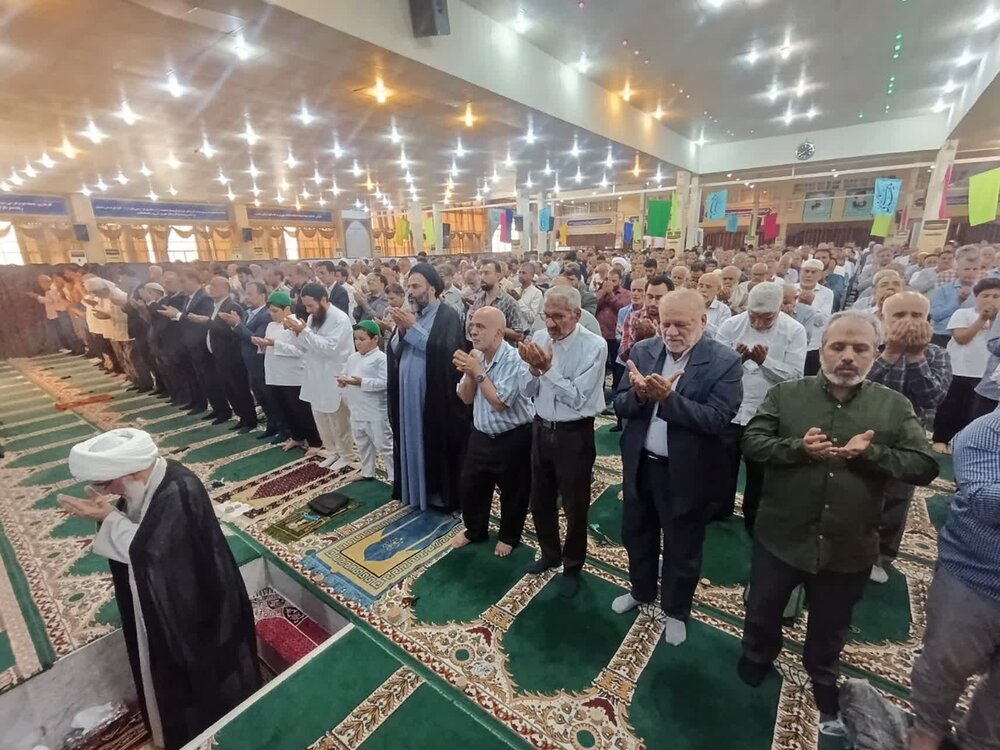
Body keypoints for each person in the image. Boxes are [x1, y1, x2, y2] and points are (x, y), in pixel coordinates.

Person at [739, 311, 938, 733]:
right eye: (838, 347)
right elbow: (753, 441)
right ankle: (757, 657)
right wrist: (798, 448)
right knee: (763, 608)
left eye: (859, 348)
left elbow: (924, 465)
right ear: (822, 350)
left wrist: (872, 454)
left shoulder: (892, 406)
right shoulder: (787, 395)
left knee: (831, 623)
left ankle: (822, 671)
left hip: (849, 543)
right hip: (782, 534)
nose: (848, 356)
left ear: (875, 353)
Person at [59, 429, 260, 749]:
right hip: (173, 599)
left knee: (206, 673)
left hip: (200, 605)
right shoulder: (145, 485)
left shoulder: (179, 488)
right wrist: (110, 515)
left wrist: (109, 518)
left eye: (108, 483)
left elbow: (151, 553)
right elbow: (146, 543)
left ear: (132, 472)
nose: (109, 491)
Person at [612, 289, 742, 646]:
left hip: (686, 472)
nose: (671, 332)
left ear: (703, 321)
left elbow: (717, 419)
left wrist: (669, 400)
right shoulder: (643, 351)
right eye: (665, 323)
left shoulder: (724, 361)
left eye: (681, 324)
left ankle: (676, 609)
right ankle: (640, 591)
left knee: (682, 545)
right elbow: (619, 404)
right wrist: (639, 395)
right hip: (641, 464)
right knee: (637, 534)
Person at [908, 410, 1000, 750]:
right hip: (976, 578)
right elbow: (988, 505)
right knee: (945, 663)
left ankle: (979, 741)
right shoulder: (986, 432)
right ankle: (926, 732)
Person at [517, 286, 607, 597]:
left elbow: (577, 397)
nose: (551, 324)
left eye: (559, 316)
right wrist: (532, 369)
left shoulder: (594, 345)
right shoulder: (540, 337)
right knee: (540, 500)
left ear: (577, 315)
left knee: (574, 504)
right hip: (541, 429)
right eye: (547, 316)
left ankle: (572, 563)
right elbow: (526, 390)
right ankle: (549, 554)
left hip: (574, 434)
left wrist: (546, 370)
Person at [867, 292, 952, 584]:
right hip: (865, 433)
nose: (909, 322)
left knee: (896, 500)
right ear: (883, 319)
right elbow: (859, 386)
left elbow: (932, 398)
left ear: (928, 320)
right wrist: (890, 354)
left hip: (907, 441)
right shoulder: (872, 348)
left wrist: (915, 357)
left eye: (917, 316)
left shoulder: (937, 355)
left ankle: (881, 555)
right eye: (899, 315)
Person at [712, 282, 807, 526]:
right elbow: (715, 368)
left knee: (760, 471)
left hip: (767, 413)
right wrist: (736, 360)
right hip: (731, 409)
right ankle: (718, 510)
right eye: (753, 316)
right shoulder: (731, 325)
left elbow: (795, 377)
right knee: (722, 465)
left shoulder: (794, 330)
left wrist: (765, 361)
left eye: (766, 318)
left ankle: (755, 518)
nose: (758, 323)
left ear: (779, 309)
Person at [452, 306, 535, 556]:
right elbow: (466, 398)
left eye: (481, 327)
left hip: (513, 436)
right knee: (472, 486)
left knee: (513, 490)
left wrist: (477, 372)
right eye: (472, 326)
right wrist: (470, 374)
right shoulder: (476, 356)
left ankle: (509, 535)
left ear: (499, 333)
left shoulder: (514, 360)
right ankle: (475, 530)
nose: (473, 331)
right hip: (481, 435)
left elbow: (500, 403)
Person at [387, 263, 470, 510]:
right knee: (410, 439)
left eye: (416, 286)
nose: (410, 292)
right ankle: (414, 490)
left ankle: (436, 495)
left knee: (431, 442)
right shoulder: (411, 314)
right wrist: (402, 331)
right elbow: (394, 350)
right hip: (407, 395)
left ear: (432, 288)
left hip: (433, 395)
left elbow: (446, 352)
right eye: (408, 287)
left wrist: (412, 328)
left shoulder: (447, 315)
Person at [283, 283, 358, 471]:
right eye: (306, 306)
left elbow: (329, 348)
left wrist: (304, 332)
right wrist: (295, 332)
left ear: (323, 300)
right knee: (321, 418)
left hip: (335, 376)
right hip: (315, 375)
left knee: (338, 420)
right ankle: (332, 451)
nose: (308, 310)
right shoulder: (312, 318)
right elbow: (304, 347)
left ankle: (346, 455)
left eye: (311, 305)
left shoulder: (340, 319)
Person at [932, 277, 1000, 451]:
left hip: (984, 375)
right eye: (985, 295)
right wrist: (982, 319)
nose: (990, 300)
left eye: (996, 296)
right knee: (950, 406)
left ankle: (962, 443)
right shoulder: (963, 314)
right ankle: (941, 439)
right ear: (976, 297)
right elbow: (961, 338)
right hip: (959, 369)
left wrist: (994, 320)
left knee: (972, 412)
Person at [254, 291, 322, 452]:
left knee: (300, 410)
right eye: (270, 311)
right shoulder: (271, 326)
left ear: (286, 309)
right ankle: (297, 437)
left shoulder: (295, 324)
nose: (272, 314)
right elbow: (269, 348)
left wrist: (275, 344)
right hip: (274, 374)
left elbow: (301, 351)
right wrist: (262, 344)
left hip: (292, 376)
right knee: (284, 409)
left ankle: (315, 442)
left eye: (275, 311)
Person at [221, 280, 285, 440]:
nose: (246, 297)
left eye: (250, 294)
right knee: (261, 397)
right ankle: (272, 426)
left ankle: (283, 429)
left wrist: (237, 325)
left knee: (271, 398)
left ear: (262, 295)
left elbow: (256, 339)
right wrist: (236, 325)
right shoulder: (248, 313)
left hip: (262, 364)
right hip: (250, 364)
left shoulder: (266, 315)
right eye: (246, 293)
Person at [337, 320, 393, 481]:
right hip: (356, 408)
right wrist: (342, 381)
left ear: (375, 339)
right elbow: (346, 374)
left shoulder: (381, 359)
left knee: (384, 445)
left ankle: (395, 475)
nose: (358, 343)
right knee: (362, 442)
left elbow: (386, 383)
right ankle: (367, 472)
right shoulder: (353, 358)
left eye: (362, 339)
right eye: (356, 339)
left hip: (375, 410)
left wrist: (362, 382)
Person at [202, 276, 258, 432]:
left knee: (240, 389)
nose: (211, 288)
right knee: (229, 389)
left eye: (214, 285)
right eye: (210, 285)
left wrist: (207, 322)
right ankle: (242, 417)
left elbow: (233, 331)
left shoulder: (232, 306)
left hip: (233, 356)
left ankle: (250, 420)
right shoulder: (214, 306)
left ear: (225, 288)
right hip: (219, 356)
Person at [930, 245, 980, 347]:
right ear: (957, 270)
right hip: (943, 336)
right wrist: (958, 301)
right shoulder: (944, 289)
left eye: (975, 269)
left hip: (972, 339)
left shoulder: (982, 292)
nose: (971, 273)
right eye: (967, 269)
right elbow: (935, 315)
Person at [467, 260, 526, 343]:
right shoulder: (478, 302)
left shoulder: (509, 302)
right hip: (482, 349)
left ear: (498, 276)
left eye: (486, 273)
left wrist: (492, 325)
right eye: (481, 273)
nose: (482, 277)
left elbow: (519, 335)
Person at [620, 275, 674, 361]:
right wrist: (639, 339)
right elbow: (623, 355)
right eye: (650, 297)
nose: (652, 303)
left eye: (659, 298)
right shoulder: (634, 317)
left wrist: (655, 337)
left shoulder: (676, 321)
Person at [781, 284, 825, 376]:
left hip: (795, 355)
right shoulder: (772, 310)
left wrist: (788, 319)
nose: (783, 306)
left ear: (795, 298)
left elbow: (806, 339)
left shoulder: (807, 311)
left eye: (786, 303)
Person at [597, 268, 632, 376]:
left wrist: (611, 294)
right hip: (601, 333)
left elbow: (622, 308)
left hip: (615, 335)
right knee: (600, 364)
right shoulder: (600, 292)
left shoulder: (626, 294)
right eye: (609, 280)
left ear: (620, 281)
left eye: (614, 281)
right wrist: (604, 294)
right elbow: (596, 307)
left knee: (616, 365)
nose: (611, 283)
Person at [696, 271, 732, 338]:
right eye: (701, 286)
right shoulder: (688, 305)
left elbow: (722, 334)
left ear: (718, 290)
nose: (703, 290)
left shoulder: (724, 310)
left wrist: (701, 321)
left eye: (708, 287)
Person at [515, 261, 544, 332]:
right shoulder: (515, 290)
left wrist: (519, 301)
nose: (520, 275)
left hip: (527, 332)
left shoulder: (537, 293)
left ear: (532, 276)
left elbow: (532, 318)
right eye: (519, 273)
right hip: (512, 328)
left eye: (524, 273)